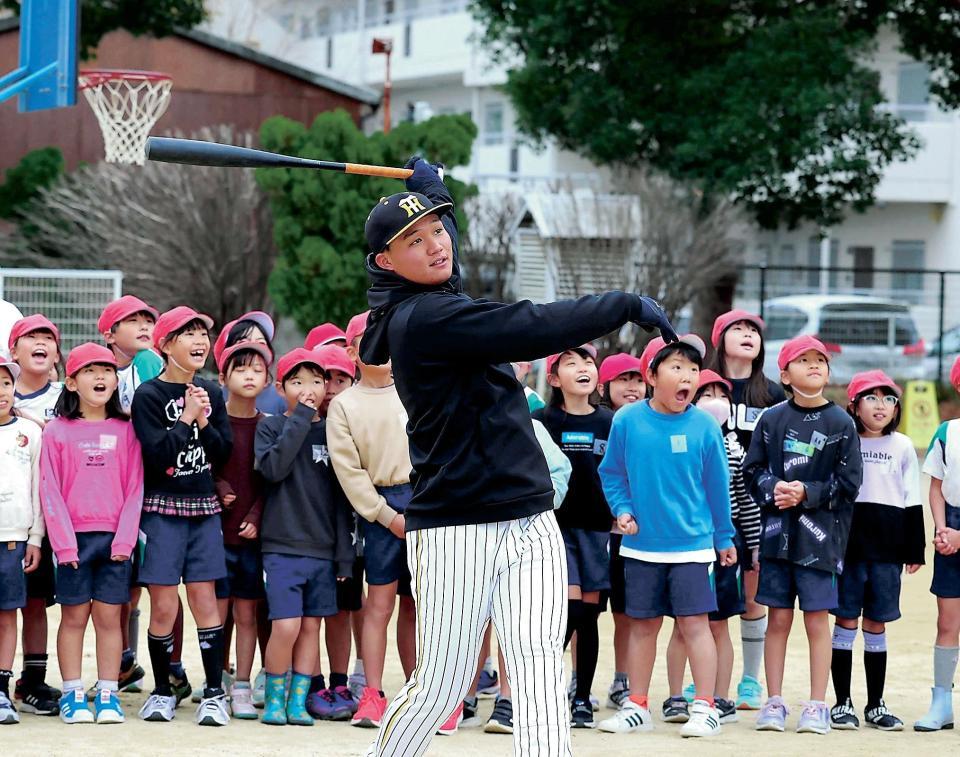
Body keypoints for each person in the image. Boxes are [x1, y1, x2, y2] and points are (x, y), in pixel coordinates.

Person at [357, 158, 677, 757]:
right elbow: (529, 325)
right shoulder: (422, 319)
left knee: (538, 667)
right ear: (385, 262)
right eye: (414, 241)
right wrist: (622, 305)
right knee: (442, 686)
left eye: (438, 230)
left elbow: (446, 264)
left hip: (529, 514)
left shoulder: (437, 297)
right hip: (455, 527)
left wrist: (433, 193)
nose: (436, 245)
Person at [596, 334, 736, 738]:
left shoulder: (704, 426)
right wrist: (622, 509)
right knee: (642, 625)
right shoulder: (627, 420)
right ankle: (637, 706)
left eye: (693, 369)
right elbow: (612, 473)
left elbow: (718, 486)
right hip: (641, 547)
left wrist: (724, 537)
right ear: (652, 376)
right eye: (676, 367)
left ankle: (706, 707)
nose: (687, 376)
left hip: (693, 546)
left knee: (695, 625)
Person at [744, 335, 862, 735]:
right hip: (777, 539)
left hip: (821, 542)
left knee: (816, 621)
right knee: (778, 619)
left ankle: (817, 704)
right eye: (803, 360)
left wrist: (807, 493)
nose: (814, 365)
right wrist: (774, 487)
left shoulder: (841, 423)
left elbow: (850, 483)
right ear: (784, 375)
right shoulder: (771, 420)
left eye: (820, 360)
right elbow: (751, 471)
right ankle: (774, 701)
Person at [131, 306, 233, 726]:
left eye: (203, 334)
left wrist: (204, 420)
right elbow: (157, 457)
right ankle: (162, 691)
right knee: (163, 605)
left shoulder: (211, 391)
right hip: (162, 510)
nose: (200, 341)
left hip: (203, 509)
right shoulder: (149, 395)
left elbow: (223, 452)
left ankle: (214, 693)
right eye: (188, 334)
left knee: (205, 599)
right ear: (166, 345)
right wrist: (186, 417)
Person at [39, 343, 143, 725]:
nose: (100, 377)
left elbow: (135, 488)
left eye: (107, 370)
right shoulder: (56, 432)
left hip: (115, 542)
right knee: (73, 618)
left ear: (116, 380)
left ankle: (109, 694)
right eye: (90, 371)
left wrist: (125, 540)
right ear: (71, 382)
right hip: (72, 543)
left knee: (110, 619)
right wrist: (64, 545)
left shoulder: (127, 430)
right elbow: (49, 490)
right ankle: (72, 693)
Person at [325, 310, 416, 731]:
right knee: (379, 604)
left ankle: (423, 693)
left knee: (422, 605)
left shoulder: (417, 390)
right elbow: (350, 473)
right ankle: (373, 694)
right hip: (380, 510)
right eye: (370, 339)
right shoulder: (344, 405)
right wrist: (386, 516)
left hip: (426, 503)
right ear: (352, 352)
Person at [255, 348, 354, 727]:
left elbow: (342, 500)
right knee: (286, 625)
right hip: (281, 548)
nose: (308, 389)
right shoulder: (271, 427)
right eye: (297, 382)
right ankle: (275, 699)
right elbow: (273, 469)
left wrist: (344, 556)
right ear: (281, 389)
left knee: (311, 626)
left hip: (323, 551)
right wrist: (299, 419)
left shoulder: (333, 431)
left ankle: (298, 701)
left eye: (316, 381)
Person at [663, 369, 760, 725]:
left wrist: (753, 545)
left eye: (722, 395)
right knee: (682, 624)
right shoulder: (677, 437)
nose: (715, 401)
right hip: (686, 543)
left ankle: (720, 697)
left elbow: (745, 501)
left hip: (725, 546)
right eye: (707, 394)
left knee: (719, 625)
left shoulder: (734, 447)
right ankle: (675, 696)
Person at [827, 370, 922, 731]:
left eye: (888, 399)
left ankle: (875, 704)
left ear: (896, 408)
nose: (881, 406)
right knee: (846, 621)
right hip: (848, 549)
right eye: (871, 398)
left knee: (876, 623)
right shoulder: (844, 442)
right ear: (854, 406)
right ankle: (842, 702)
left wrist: (913, 549)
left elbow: (912, 497)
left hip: (887, 551)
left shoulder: (903, 446)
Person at [532, 344, 613, 729]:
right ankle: (543, 687)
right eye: (571, 362)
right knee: (569, 608)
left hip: (597, 528)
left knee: (590, 615)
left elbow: (621, 472)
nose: (583, 368)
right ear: (553, 378)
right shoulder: (541, 420)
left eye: (588, 362)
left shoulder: (610, 421)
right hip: (555, 527)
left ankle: (581, 698)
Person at [711, 309, 786, 710]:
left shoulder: (771, 395)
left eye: (753, 331)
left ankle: (751, 680)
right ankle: (707, 678)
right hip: (711, 506)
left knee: (754, 588)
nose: (747, 335)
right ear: (719, 339)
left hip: (758, 506)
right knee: (710, 596)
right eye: (737, 329)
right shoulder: (705, 384)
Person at [98, 294, 162, 696]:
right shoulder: (100, 368)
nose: (144, 327)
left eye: (147, 320)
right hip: (111, 482)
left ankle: (140, 663)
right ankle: (122, 662)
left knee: (145, 578)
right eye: (132, 321)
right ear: (109, 334)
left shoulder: (149, 362)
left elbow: (145, 417)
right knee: (119, 574)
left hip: (150, 481)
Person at [213, 339, 274, 720]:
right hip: (216, 535)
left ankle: (242, 686)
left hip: (253, 538)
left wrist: (257, 514)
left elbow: (274, 480)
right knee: (216, 615)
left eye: (257, 370)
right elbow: (200, 467)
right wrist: (218, 486)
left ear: (268, 380)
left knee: (248, 614)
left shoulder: (269, 426)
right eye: (240, 369)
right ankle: (215, 681)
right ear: (223, 377)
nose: (249, 376)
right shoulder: (211, 421)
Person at [9, 314, 63, 716]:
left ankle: (33, 680)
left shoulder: (66, 395)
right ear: (13, 351)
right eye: (31, 337)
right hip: (10, 516)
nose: (41, 343)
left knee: (36, 601)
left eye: (48, 337)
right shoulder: (3, 394)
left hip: (48, 518)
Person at [304, 342, 360, 722]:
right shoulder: (298, 426)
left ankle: (340, 682)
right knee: (309, 615)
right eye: (325, 379)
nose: (331, 388)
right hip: (306, 537)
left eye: (341, 379)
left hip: (347, 535)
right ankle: (311, 682)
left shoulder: (355, 424)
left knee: (341, 610)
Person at [595, 351, 644, 708]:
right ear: (604, 386)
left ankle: (622, 679)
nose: (632, 387)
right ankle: (577, 681)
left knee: (626, 612)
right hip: (595, 533)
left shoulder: (646, 422)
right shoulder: (597, 422)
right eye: (623, 380)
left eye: (637, 380)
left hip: (632, 534)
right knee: (585, 612)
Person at [916, 355, 960, 732]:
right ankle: (941, 702)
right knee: (947, 620)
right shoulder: (947, 432)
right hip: (951, 531)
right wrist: (943, 530)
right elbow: (935, 487)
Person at [0, 354, 42, 725]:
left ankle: (2, 689)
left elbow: (37, 490)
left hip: (13, 540)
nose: (1, 391)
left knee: (7, 615)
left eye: (6, 383)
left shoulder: (30, 433)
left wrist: (36, 538)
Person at [214, 311, 286, 417]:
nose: (253, 347)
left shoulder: (281, 399)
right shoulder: (212, 401)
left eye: (261, 343)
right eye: (243, 342)